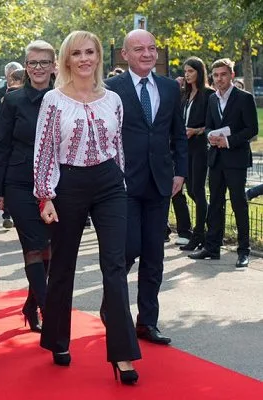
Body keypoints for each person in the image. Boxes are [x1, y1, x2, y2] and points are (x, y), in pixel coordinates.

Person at [34, 31, 140, 385]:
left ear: (99, 57)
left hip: (110, 183)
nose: (84, 59)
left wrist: (121, 180)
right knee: (63, 265)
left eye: (90, 52)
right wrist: (45, 195)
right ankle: (57, 339)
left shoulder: (113, 99)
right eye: (77, 53)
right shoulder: (53, 100)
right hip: (70, 185)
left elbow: (118, 144)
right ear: (66, 59)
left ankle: (123, 354)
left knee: (115, 264)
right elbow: (45, 149)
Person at [103, 29, 188, 345]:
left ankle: (147, 323)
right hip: (122, 183)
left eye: (152, 48)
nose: (147, 54)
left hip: (160, 183)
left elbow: (177, 134)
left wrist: (180, 172)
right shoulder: (111, 88)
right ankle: (113, 308)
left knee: (154, 254)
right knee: (127, 250)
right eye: (139, 49)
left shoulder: (169, 88)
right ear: (125, 54)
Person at [0, 40, 55, 333]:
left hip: (57, 185)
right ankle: (48, 310)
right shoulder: (13, 101)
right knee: (33, 246)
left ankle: (32, 305)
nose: (38, 68)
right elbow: (2, 146)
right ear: (26, 67)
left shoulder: (65, 97)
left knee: (51, 249)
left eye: (44, 62)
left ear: (54, 65)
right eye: (33, 63)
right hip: (19, 183)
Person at [189, 58, 258, 268]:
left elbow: (252, 129)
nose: (219, 79)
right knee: (216, 204)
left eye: (223, 74)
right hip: (216, 159)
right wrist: (211, 135)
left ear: (232, 75)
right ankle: (212, 248)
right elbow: (209, 126)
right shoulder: (212, 99)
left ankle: (243, 251)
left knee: (239, 205)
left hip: (236, 160)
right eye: (216, 75)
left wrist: (228, 140)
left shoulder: (244, 98)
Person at [175, 57, 215, 251]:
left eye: (191, 71)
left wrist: (196, 130)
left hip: (200, 147)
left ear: (199, 72)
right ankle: (201, 231)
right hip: (184, 148)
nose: (187, 74)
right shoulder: (185, 95)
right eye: (185, 71)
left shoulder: (209, 94)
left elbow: (212, 124)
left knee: (197, 191)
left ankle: (199, 235)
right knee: (190, 189)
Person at [0, 62, 23, 230]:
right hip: (1, 143)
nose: (13, 80)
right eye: (11, 77)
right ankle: (7, 213)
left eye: (16, 77)